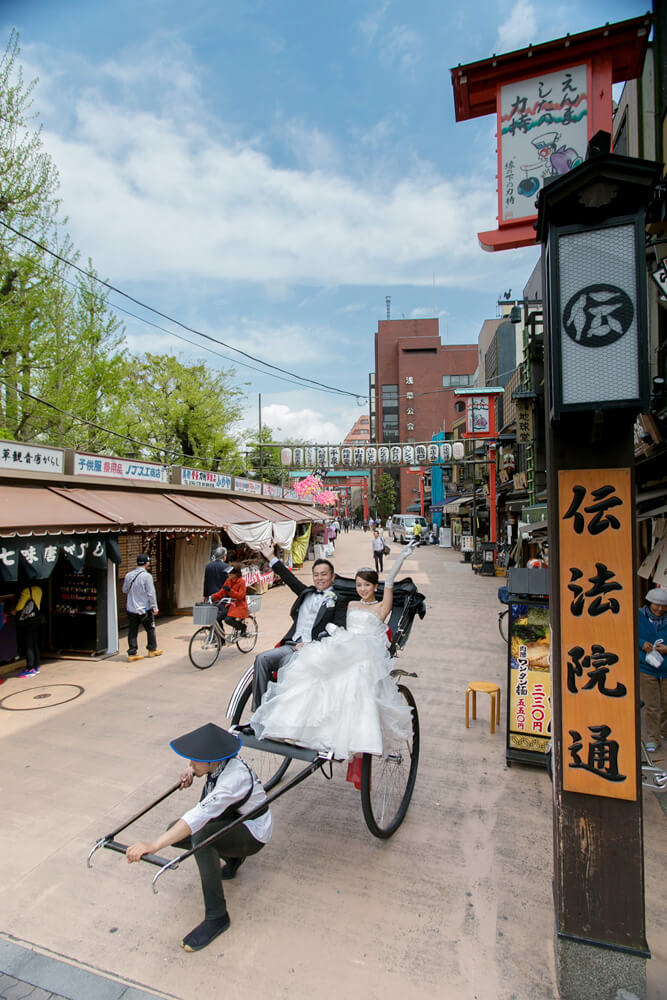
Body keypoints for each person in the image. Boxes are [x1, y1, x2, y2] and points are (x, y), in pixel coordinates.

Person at [249, 545, 415, 759]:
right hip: (336, 643)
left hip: (363, 649)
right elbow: (296, 585)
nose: (363, 589)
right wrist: (271, 558)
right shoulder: (350, 603)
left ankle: (341, 733)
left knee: (350, 675)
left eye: (367, 585)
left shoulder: (377, 607)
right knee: (309, 669)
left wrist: (401, 557)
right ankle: (275, 720)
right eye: (359, 585)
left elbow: (390, 582)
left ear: (375, 586)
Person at [126, 722, 271, 952]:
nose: (191, 763)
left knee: (201, 839)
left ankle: (217, 915)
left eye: (195, 760)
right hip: (234, 820)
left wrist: (153, 845)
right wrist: (192, 770)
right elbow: (202, 770)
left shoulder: (234, 779)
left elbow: (198, 816)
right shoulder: (218, 762)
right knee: (175, 830)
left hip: (253, 832)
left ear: (213, 759)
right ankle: (233, 858)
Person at [248, 543, 349, 711]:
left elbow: (338, 628)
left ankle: (282, 713)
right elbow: (289, 579)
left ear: (333, 577)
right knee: (262, 659)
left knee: (288, 667)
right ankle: (259, 711)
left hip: (312, 650)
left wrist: (313, 643)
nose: (319, 578)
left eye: (324, 574)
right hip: (291, 645)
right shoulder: (306, 592)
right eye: (316, 575)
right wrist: (271, 557)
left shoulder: (339, 600)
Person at [638, 587, 667, 752]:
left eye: (664, 606)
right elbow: (629, 633)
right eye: (657, 605)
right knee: (652, 705)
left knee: (665, 703)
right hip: (646, 666)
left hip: (666, 667)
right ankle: (653, 738)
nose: (660, 609)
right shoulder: (639, 616)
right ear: (649, 602)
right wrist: (642, 644)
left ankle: (663, 731)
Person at [122, 554, 162, 662]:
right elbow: (151, 593)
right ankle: (152, 649)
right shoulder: (147, 576)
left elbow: (124, 590)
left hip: (131, 608)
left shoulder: (128, 575)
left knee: (132, 630)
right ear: (146, 563)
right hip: (144, 609)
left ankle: (132, 652)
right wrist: (155, 607)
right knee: (150, 628)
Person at [210, 563, 248, 637]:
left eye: (231, 573)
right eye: (228, 573)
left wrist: (230, 591)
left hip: (239, 605)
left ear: (236, 573)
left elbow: (241, 596)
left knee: (228, 620)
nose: (229, 574)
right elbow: (222, 592)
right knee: (217, 618)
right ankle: (221, 639)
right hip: (231, 605)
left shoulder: (241, 582)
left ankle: (242, 627)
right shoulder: (228, 581)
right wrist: (213, 597)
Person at [14, 582, 43, 677]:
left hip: (28, 621)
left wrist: (14, 610)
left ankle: (30, 668)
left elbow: (19, 607)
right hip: (37, 618)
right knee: (34, 642)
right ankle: (36, 666)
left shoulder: (26, 591)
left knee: (28, 644)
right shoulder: (39, 589)